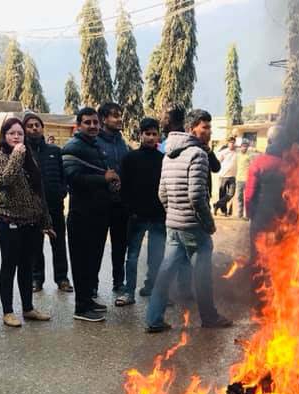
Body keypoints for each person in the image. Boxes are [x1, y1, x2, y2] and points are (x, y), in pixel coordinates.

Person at [146, 109, 232, 332]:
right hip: (194, 226)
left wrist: (172, 213)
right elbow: (196, 195)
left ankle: (153, 319)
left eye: (210, 127)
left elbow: (161, 193)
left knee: (165, 271)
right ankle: (209, 317)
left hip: (173, 224)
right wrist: (208, 223)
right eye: (205, 127)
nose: (209, 132)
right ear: (191, 128)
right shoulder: (197, 154)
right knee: (202, 274)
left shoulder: (169, 153)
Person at [0, 117, 55, 327]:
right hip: (9, 220)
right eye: (12, 133)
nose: (16, 137)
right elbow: (3, 180)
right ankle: (8, 311)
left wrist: (46, 221)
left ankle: (28, 308)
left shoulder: (30, 156)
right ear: (4, 135)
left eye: (20, 134)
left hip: (32, 221)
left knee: (27, 266)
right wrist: (17, 156)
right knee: (9, 265)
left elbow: (39, 189)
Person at [62, 106, 115, 322]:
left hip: (98, 215)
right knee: (82, 263)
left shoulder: (95, 146)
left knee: (93, 262)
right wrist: (104, 179)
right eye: (88, 122)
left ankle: (88, 300)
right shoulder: (73, 147)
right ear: (79, 125)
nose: (92, 126)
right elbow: (73, 178)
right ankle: (81, 308)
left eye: (95, 122)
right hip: (81, 215)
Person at [118, 117, 165, 305]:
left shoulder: (164, 160)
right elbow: (124, 187)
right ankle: (129, 292)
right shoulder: (130, 158)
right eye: (148, 134)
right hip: (137, 217)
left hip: (158, 217)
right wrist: (130, 210)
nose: (151, 137)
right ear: (141, 135)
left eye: (155, 134)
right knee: (132, 256)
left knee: (157, 256)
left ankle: (151, 288)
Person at [23, 112, 71, 293]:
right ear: (25, 129)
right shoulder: (22, 153)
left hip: (55, 206)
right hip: (33, 209)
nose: (34, 128)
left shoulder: (54, 151)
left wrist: (62, 192)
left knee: (58, 244)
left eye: (37, 125)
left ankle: (62, 279)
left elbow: (63, 175)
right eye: (30, 126)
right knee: (35, 245)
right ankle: (37, 279)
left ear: (42, 128)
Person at [95, 102, 131, 294]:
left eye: (120, 115)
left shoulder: (121, 142)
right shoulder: (95, 142)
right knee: (97, 247)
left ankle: (119, 282)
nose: (119, 119)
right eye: (114, 115)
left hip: (121, 204)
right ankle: (93, 286)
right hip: (101, 203)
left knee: (120, 246)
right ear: (103, 119)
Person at [213, 137, 237, 216]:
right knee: (222, 194)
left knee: (231, 194)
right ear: (228, 143)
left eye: (233, 142)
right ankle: (224, 211)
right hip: (223, 175)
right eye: (230, 142)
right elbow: (217, 162)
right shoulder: (223, 152)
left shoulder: (237, 152)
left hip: (232, 176)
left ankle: (217, 204)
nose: (232, 144)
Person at [235, 139, 254, 219]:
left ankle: (247, 215)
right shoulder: (238, 155)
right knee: (239, 197)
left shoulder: (249, 156)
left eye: (246, 147)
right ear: (241, 147)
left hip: (247, 180)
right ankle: (240, 214)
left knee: (247, 198)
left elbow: (253, 167)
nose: (244, 148)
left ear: (247, 147)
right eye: (243, 146)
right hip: (239, 179)